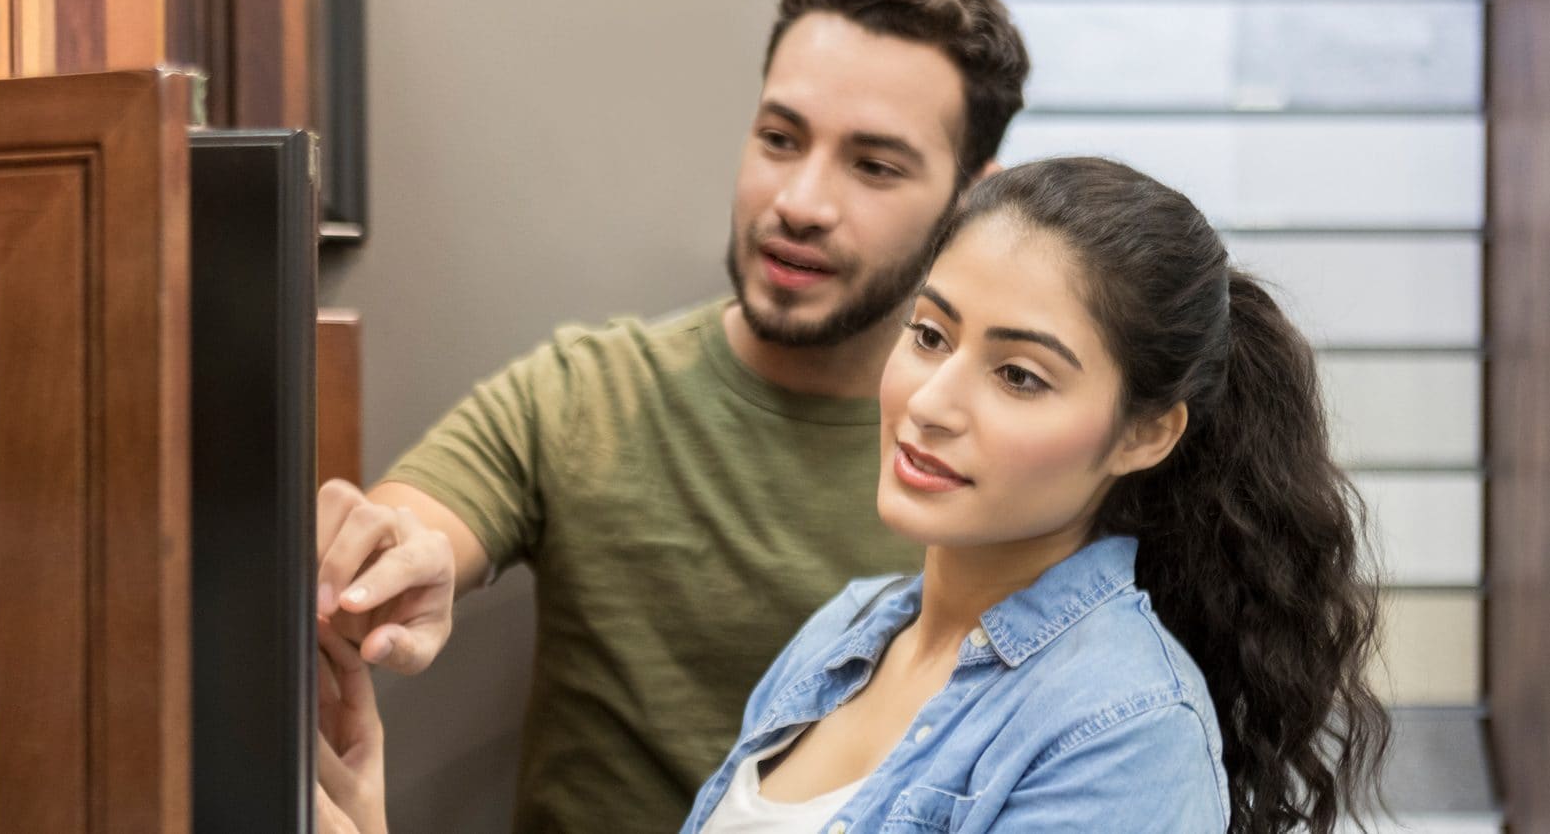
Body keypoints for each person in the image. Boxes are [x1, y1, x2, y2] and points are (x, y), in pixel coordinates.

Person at [316, 157, 1393, 834]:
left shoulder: (1123, 727)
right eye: (929, 335)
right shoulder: (846, 636)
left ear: (1147, 431)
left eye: (1019, 375)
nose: (930, 399)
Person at [313, 0, 1030, 830]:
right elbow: (415, 531)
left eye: (872, 166)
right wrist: (380, 565)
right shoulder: (586, 395)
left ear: (973, 198)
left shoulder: (1012, 469)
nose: (800, 202)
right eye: (779, 138)